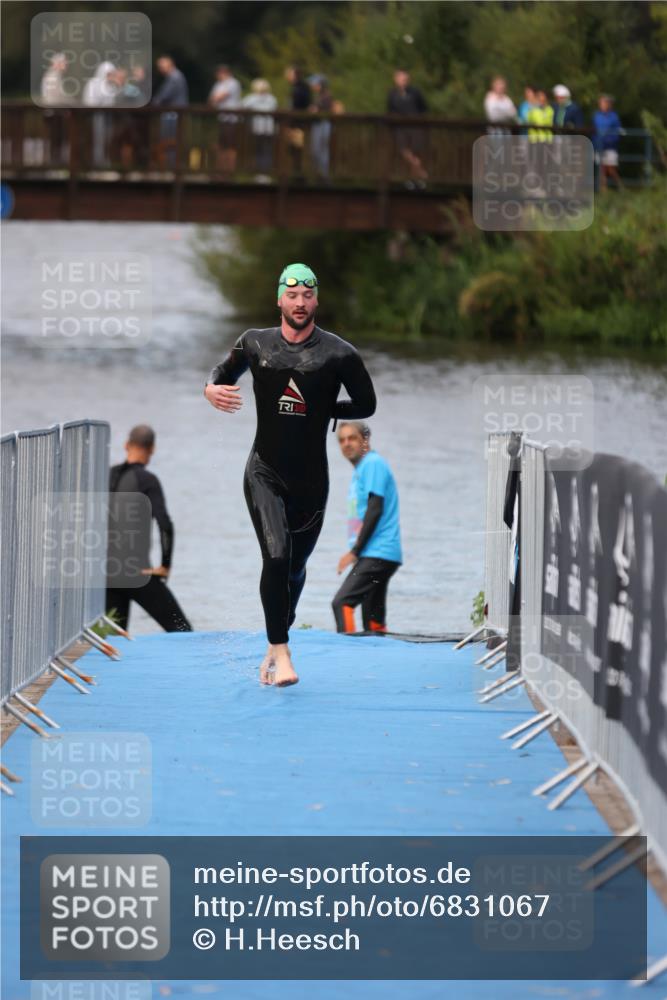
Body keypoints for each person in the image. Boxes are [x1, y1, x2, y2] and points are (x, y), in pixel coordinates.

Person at [204, 263, 376, 687]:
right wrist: (210, 389)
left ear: (316, 300)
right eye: (292, 295)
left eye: (307, 296)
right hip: (264, 471)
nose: (300, 303)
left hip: (311, 482)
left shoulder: (339, 354)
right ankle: (283, 654)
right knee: (276, 556)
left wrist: (326, 411)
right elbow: (220, 375)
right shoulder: (255, 344)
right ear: (279, 299)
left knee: (295, 569)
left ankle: (271, 645)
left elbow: (366, 404)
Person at [106, 425, 192, 633]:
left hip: (107, 574)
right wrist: (165, 565)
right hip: (138, 573)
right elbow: (164, 524)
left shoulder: (107, 476)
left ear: (126, 445)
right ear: (152, 449)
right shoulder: (148, 481)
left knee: (114, 640)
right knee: (182, 631)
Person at [332, 422, 402, 634]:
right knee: (373, 619)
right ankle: (380, 656)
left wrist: (354, 551)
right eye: (342, 440)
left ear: (365, 440)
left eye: (352, 438)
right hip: (379, 553)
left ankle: (348, 655)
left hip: (377, 551)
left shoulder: (372, 463)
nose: (346, 444)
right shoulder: (363, 469)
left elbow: (375, 508)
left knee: (342, 603)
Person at [386, 69, 428, 188]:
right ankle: (421, 172)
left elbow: (423, 108)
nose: (403, 81)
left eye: (405, 79)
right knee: (404, 151)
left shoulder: (415, 92)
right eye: (401, 79)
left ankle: (413, 179)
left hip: (415, 126)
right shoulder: (392, 94)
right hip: (400, 127)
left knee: (416, 152)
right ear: (395, 79)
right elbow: (389, 110)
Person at [152, 56, 189, 168]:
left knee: (169, 140)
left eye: (162, 66)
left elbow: (164, 96)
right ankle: (171, 165)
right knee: (170, 140)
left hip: (173, 115)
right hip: (172, 114)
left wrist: (153, 103)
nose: (160, 69)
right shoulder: (174, 77)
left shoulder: (175, 77)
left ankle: (172, 166)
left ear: (170, 64)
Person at [82, 61, 118, 167]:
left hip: (107, 117)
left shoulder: (111, 86)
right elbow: (89, 101)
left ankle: (105, 162)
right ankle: (96, 164)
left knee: (107, 140)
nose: (111, 76)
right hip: (95, 117)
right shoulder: (93, 84)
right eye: (109, 74)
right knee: (97, 141)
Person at [208, 65, 242, 175]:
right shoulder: (218, 84)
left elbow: (219, 97)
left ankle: (229, 171)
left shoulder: (233, 83)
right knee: (220, 145)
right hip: (221, 118)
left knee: (230, 146)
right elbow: (211, 99)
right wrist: (215, 98)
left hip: (231, 119)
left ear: (225, 73)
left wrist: (216, 98)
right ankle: (220, 170)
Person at [242, 78, 278, 180]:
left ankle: (261, 173)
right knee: (265, 151)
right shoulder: (271, 99)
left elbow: (241, 107)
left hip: (258, 129)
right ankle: (263, 173)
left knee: (260, 150)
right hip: (267, 129)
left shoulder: (251, 98)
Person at [592, 94, 623, 192]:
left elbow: (617, 131)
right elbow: (594, 130)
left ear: (609, 104)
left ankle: (621, 187)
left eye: (604, 103)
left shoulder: (614, 117)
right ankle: (603, 191)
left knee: (611, 169)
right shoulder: (596, 116)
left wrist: (610, 140)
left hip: (610, 146)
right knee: (602, 169)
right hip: (599, 145)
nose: (602, 105)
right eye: (601, 103)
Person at [285, 66, 311, 177]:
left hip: (298, 123)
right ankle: (295, 174)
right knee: (294, 149)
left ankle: (298, 175)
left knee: (297, 149)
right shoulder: (300, 87)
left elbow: (299, 105)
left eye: (289, 74)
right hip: (296, 122)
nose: (287, 76)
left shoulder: (300, 88)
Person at [308, 74, 333, 180]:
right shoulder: (319, 96)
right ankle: (319, 174)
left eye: (314, 84)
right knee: (316, 151)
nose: (312, 86)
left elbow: (319, 109)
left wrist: (314, 109)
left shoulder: (326, 96)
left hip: (323, 124)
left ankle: (323, 175)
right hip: (319, 124)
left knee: (321, 151)